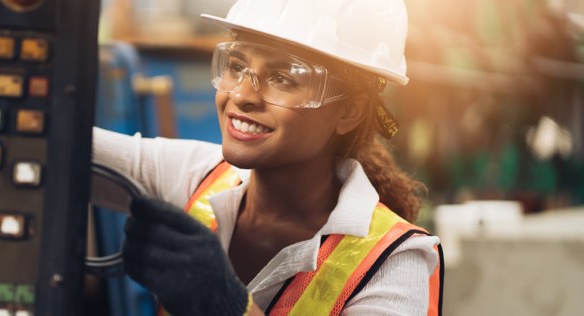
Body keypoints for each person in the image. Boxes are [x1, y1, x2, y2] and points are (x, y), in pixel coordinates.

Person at [92, 0, 444, 315]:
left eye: (283, 78)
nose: (241, 94)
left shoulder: (395, 263)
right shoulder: (196, 175)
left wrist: (225, 305)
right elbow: (65, 146)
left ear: (350, 111)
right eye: (236, 65)